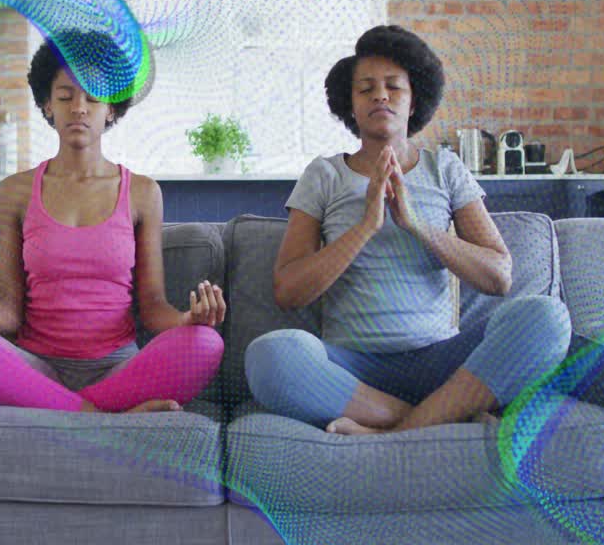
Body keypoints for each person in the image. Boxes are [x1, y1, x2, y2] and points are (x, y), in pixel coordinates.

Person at [244, 25, 571, 435]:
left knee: (547, 318)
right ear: (351, 105)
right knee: (269, 356)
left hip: (438, 362)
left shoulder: (444, 169)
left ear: (414, 99)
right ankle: (445, 416)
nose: (380, 95)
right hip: (351, 372)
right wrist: (366, 225)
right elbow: (288, 291)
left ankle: (391, 430)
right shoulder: (323, 175)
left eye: (393, 87)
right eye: (366, 88)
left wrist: (417, 225)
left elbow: (499, 276)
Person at [0, 30, 225, 414]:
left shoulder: (142, 193)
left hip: (118, 368)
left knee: (205, 343)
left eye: (93, 97)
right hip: (36, 367)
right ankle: (99, 415)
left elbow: (152, 308)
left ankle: (63, 410)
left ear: (112, 110)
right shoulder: (15, 192)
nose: (79, 108)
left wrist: (189, 319)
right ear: (47, 106)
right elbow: (9, 310)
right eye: (65, 96)